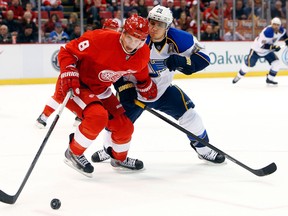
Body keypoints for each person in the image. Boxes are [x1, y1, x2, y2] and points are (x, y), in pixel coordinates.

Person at [91, 5, 225, 165]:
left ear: (168, 26)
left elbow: (204, 58)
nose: (153, 28)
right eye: (152, 22)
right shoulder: (136, 36)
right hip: (134, 90)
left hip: (162, 91)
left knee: (191, 116)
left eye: (159, 25)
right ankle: (111, 151)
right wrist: (123, 87)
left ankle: (204, 150)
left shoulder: (180, 39)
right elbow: (115, 63)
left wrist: (184, 61)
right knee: (118, 122)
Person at [39, 14, 157, 177]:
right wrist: (68, 70)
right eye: (130, 39)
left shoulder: (143, 52)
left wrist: (145, 84)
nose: (133, 45)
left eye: (139, 41)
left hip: (100, 88)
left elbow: (140, 69)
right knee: (97, 117)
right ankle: (73, 152)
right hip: (77, 84)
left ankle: (119, 159)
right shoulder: (99, 39)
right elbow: (67, 51)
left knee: (124, 127)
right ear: (123, 33)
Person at [35, 18, 121, 129]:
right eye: (109, 30)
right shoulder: (94, 39)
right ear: (103, 29)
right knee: (60, 95)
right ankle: (44, 116)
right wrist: (70, 70)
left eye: (114, 31)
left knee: (95, 98)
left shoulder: (117, 47)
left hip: (90, 80)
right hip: (73, 74)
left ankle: (80, 117)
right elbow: (70, 52)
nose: (111, 34)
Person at [232, 17, 288, 85]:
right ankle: (238, 76)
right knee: (249, 65)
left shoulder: (281, 30)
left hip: (267, 52)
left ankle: (270, 79)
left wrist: (286, 41)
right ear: (271, 24)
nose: (276, 26)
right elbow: (262, 45)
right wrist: (273, 47)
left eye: (277, 25)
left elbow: (284, 36)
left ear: (280, 26)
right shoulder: (267, 32)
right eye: (274, 24)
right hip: (257, 50)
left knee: (276, 63)